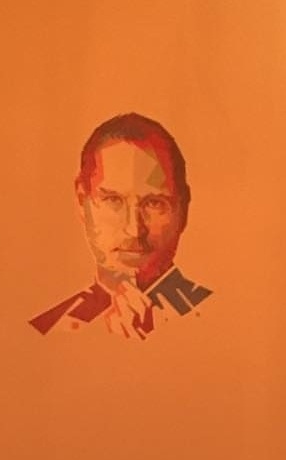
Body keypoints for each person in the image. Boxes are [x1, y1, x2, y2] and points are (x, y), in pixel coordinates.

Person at [29, 112, 211, 339]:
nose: (134, 229)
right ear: (82, 201)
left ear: (183, 209)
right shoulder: (47, 331)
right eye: (113, 200)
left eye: (154, 203)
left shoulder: (219, 320)